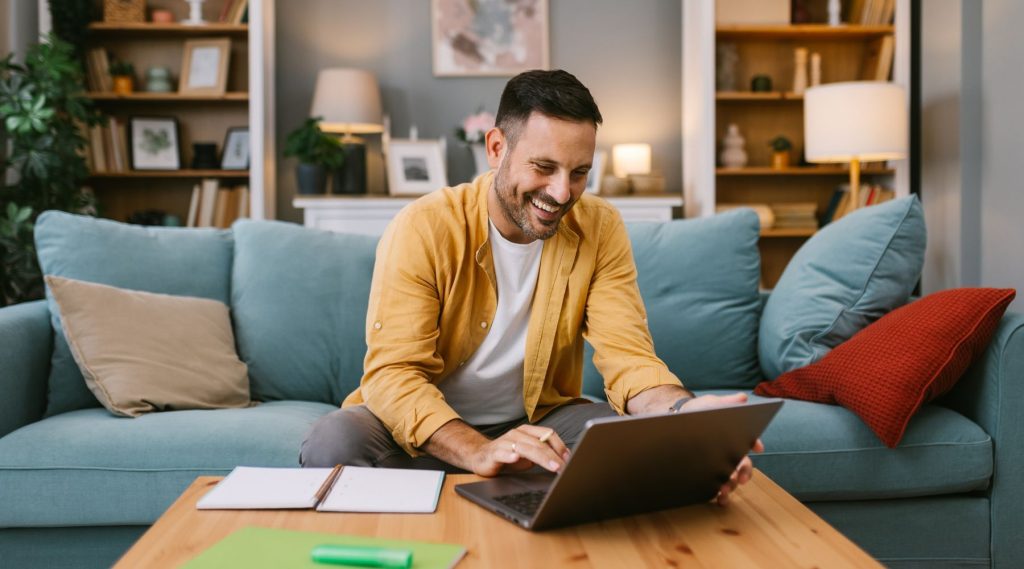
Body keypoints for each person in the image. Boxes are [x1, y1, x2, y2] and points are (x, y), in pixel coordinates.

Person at [301, 69, 762, 505]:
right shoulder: (424, 227)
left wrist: (687, 419)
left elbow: (630, 359)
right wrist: (481, 451)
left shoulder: (600, 227)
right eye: (544, 167)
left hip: (538, 423)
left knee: (639, 442)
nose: (562, 193)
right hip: (424, 431)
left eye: (579, 172)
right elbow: (393, 376)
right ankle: (493, 478)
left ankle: (509, 486)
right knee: (334, 440)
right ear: (497, 148)